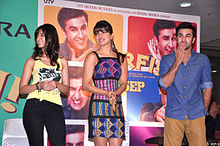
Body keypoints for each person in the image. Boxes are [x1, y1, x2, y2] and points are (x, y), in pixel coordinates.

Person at [159, 22, 212, 146]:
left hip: (197, 114)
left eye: (187, 36)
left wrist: (203, 110)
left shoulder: (202, 60)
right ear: (176, 38)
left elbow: (207, 87)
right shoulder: (167, 60)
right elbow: (164, 85)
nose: (183, 39)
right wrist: (177, 61)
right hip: (174, 113)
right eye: (180, 36)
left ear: (193, 39)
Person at [19, 24, 70, 146]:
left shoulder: (62, 61)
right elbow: (22, 90)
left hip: (55, 107)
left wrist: (57, 84)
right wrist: (39, 85)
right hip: (34, 106)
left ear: (50, 37)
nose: (38, 39)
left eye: (42, 35)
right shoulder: (32, 61)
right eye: (37, 36)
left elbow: (66, 89)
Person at [82, 20, 128, 146]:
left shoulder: (121, 58)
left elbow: (123, 83)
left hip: (116, 106)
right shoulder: (93, 56)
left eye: (103, 32)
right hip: (98, 107)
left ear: (111, 35)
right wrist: (107, 93)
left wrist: (114, 94)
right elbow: (85, 85)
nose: (100, 36)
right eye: (97, 33)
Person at [139, 20, 176, 122]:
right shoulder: (144, 64)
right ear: (156, 40)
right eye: (166, 38)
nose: (171, 44)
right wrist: (155, 114)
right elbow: (143, 114)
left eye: (173, 38)